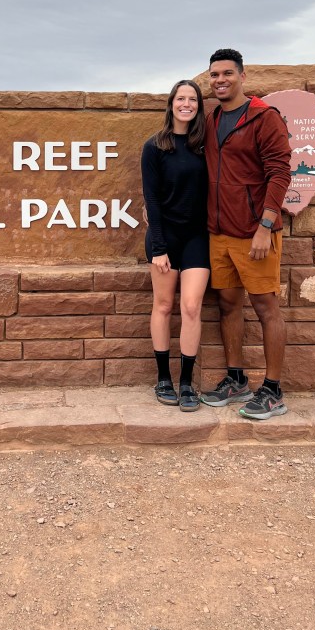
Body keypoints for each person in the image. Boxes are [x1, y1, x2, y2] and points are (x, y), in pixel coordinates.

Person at [199, 48, 291, 420]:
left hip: (255, 233)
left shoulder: (264, 117)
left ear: (242, 76)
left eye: (226, 74)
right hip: (218, 233)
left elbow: (281, 173)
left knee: (267, 307)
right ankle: (236, 378)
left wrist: (265, 226)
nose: (220, 80)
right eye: (214, 75)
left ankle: (273, 390)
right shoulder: (211, 119)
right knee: (227, 304)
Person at [141, 79, 210, 411]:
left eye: (192, 99)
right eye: (181, 98)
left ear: (198, 105)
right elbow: (151, 200)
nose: (187, 104)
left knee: (192, 307)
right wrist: (158, 247)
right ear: (171, 104)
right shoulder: (154, 146)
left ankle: (186, 383)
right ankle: (163, 378)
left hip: (198, 237)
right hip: (164, 237)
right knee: (164, 306)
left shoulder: (205, 145)